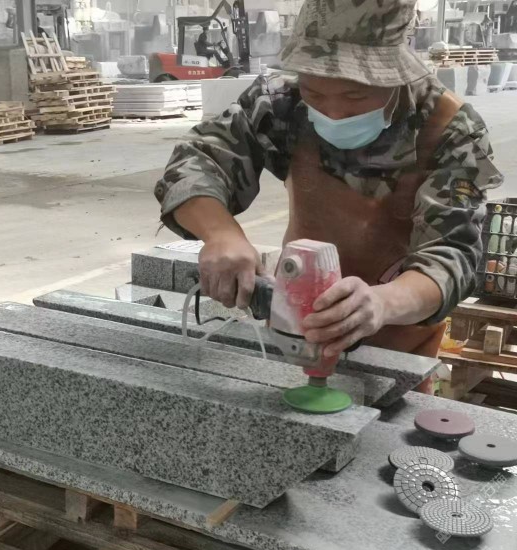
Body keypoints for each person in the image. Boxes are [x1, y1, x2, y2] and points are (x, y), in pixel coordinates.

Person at [154, 0, 503, 389]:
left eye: (355, 97)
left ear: (394, 77)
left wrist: (381, 303)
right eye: (315, 92)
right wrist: (221, 234)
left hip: (396, 347)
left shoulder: (448, 129)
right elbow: (197, 160)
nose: (333, 112)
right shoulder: (281, 102)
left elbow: (453, 255)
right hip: (294, 331)